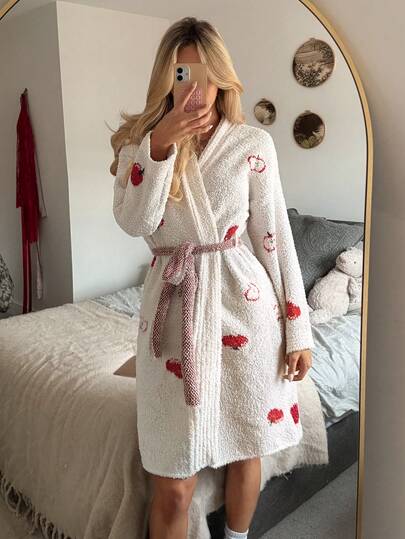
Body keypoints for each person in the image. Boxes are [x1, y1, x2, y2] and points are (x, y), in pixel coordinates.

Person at [110, 16, 314, 539]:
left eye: (205, 75)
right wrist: (160, 147)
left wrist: (298, 329)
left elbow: (275, 238)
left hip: (243, 305)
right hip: (173, 313)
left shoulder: (252, 144)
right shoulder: (139, 145)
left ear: (222, 78)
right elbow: (136, 223)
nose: (195, 91)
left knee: (247, 447)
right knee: (173, 483)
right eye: (182, 75)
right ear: (166, 78)